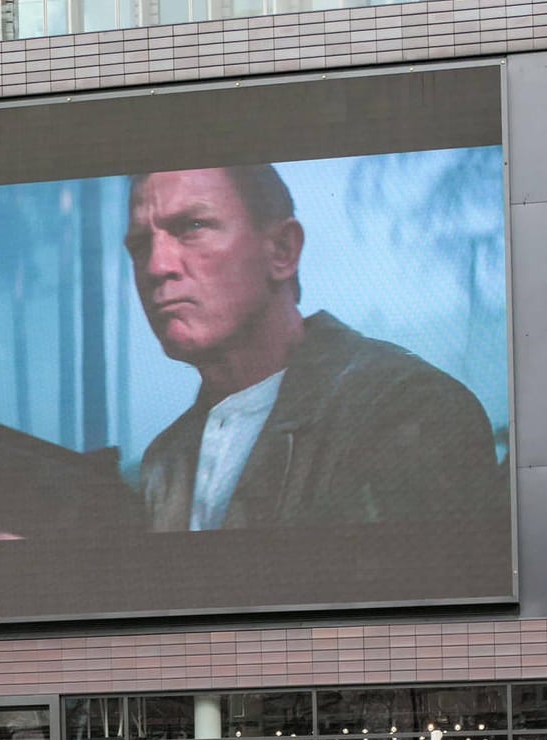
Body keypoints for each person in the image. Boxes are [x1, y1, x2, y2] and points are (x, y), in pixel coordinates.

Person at [124, 165, 505, 533]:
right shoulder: (165, 459)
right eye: (141, 245)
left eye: (192, 227)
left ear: (282, 251)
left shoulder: (407, 408)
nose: (157, 266)